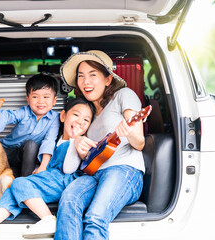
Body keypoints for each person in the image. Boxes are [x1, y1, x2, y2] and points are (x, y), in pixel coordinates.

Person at [0, 97, 96, 240]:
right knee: (12, 191)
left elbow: (69, 169)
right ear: (63, 116)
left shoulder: (80, 142)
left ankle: (48, 219)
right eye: (76, 115)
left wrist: (75, 140)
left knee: (19, 183)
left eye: (86, 120)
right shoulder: (54, 138)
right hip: (48, 181)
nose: (80, 122)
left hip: (63, 181)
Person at [54, 50, 145, 240]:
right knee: (69, 201)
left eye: (92, 75)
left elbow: (140, 143)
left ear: (108, 79)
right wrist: (77, 140)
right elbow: (82, 154)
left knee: (95, 217)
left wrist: (129, 131)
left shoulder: (123, 95)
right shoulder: (88, 114)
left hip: (123, 171)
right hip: (93, 173)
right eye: (81, 76)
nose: (86, 81)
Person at [0, 73, 60, 177]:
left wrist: (43, 167)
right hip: (5, 152)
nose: (41, 101)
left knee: (31, 145)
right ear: (28, 99)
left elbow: (49, 141)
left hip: (26, 160)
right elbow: (9, 116)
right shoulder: (24, 112)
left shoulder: (54, 119)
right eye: (35, 96)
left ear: (54, 101)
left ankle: (26, 180)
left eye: (46, 97)